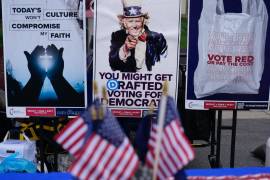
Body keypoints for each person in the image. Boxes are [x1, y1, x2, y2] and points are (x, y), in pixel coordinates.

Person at [109, 0, 168, 72]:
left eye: (137, 21)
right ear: (124, 23)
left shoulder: (158, 38)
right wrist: (125, 49)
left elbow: (165, 64)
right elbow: (112, 64)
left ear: (143, 21)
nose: (134, 25)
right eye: (130, 21)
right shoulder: (117, 36)